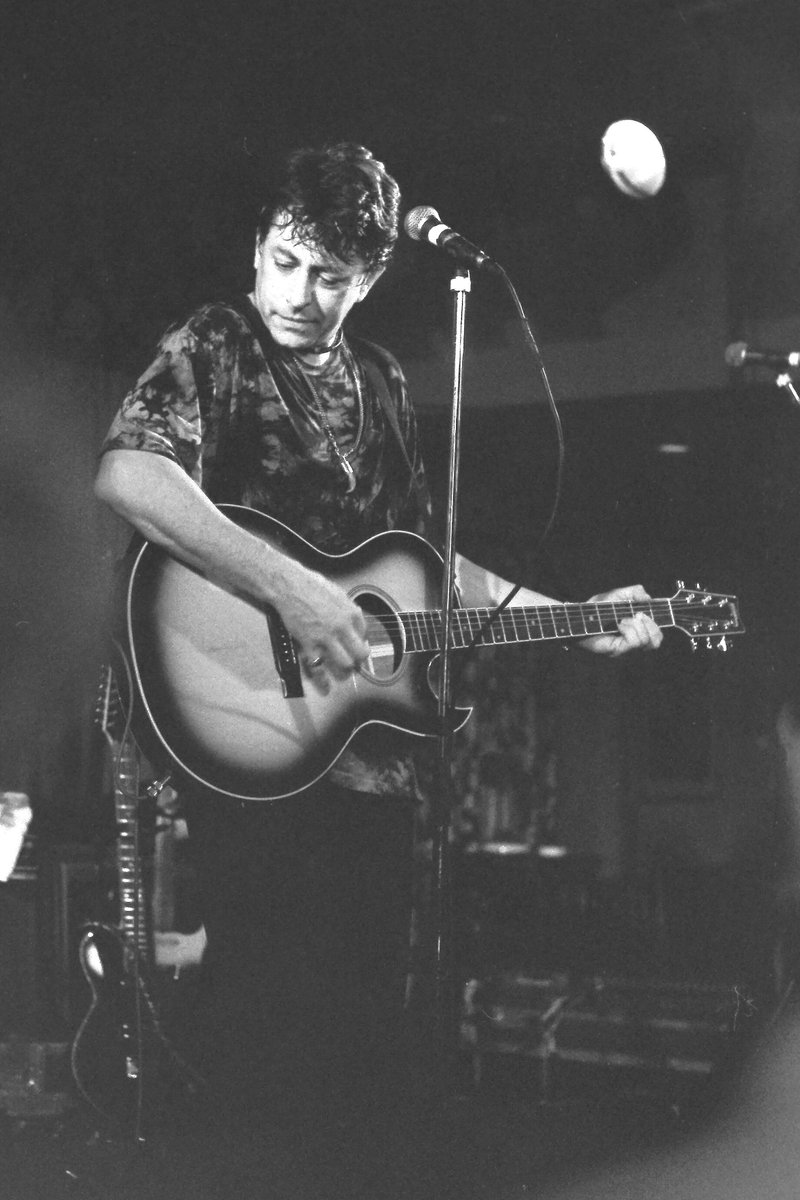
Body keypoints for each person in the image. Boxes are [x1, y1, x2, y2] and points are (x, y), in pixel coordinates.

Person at [93, 142, 662, 1148]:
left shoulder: (383, 384)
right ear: (257, 246)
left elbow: (429, 569)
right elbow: (134, 479)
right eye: (284, 260)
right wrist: (297, 592)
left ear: (370, 278)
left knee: (360, 1034)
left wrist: (575, 614)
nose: (301, 294)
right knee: (263, 1018)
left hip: (371, 767)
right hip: (245, 721)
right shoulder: (214, 344)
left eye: (330, 276)